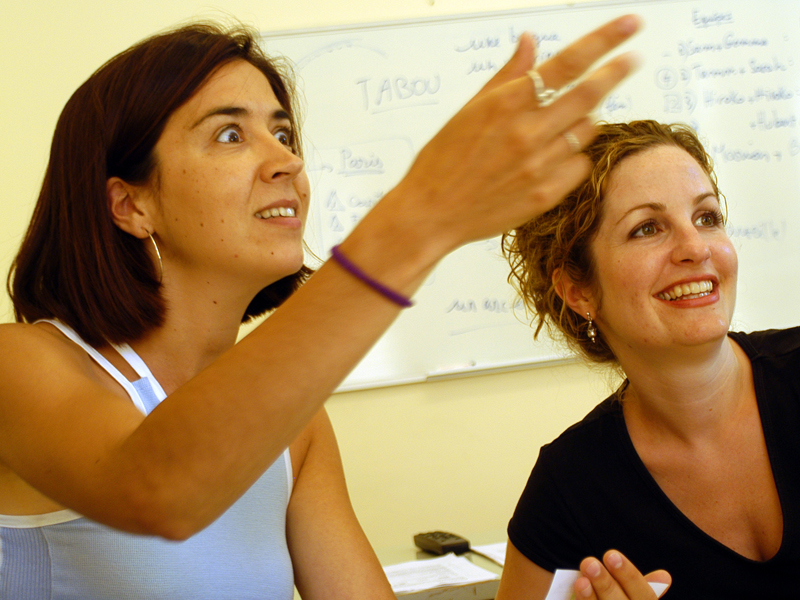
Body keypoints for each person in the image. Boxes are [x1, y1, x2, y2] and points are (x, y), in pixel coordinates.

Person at [0, 14, 641, 600]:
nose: (286, 160)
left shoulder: (298, 428)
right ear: (129, 204)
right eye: (230, 134)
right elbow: (159, 490)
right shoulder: (20, 364)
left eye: (282, 132)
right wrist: (419, 217)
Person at [496, 119, 799, 600]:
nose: (696, 249)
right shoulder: (570, 488)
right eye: (647, 228)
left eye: (706, 218)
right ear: (578, 291)